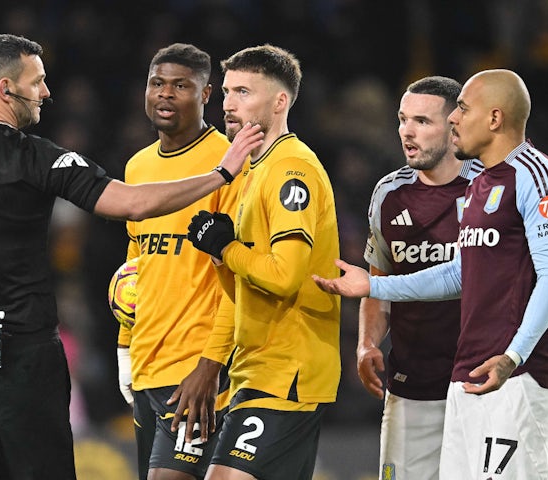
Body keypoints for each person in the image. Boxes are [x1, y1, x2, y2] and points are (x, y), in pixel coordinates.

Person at [0, 33, 262, 480]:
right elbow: (131, 204)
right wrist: (221, 174)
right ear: (5, 89)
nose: (46, 92)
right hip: (23, 356)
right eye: (37, 81)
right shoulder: (38, 158)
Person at [313, 69, 548, 479]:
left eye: (459, 110)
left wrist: (513, 357)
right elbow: (459, 273)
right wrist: (372, 296)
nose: (408, 131)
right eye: (403, 119)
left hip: (513, 377)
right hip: (451, 379)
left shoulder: (527, 174)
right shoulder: (439, 191)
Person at [175, 44, 341, 480]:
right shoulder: (256, 171)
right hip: (255, 369)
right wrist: (221, 257)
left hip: (288, 371)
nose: (228, 104)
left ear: (280, 102)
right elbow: (245, 288)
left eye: (244, 92)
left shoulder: (292, 171)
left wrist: (228, 249)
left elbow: (285, 277)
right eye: (227, 91)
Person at [115, 43, 245, 480]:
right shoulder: (137, 167)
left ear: (207, 94)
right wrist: (124, 349)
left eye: (180, 86)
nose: (164, 94)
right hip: (148, 365)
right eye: (156, 84)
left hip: (195, 370)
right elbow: (135, 267)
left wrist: (210, 366)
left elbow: (239, 277)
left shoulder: (230, 162)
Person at [359, 75, 482, 480]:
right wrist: (365, 344)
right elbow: (378, 283)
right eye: (402, 119)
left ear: (454, 128)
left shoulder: (493, 187)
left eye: (423, 122)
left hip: (484, 387)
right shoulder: (389, 194)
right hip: (412, 387)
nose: (407, 132)